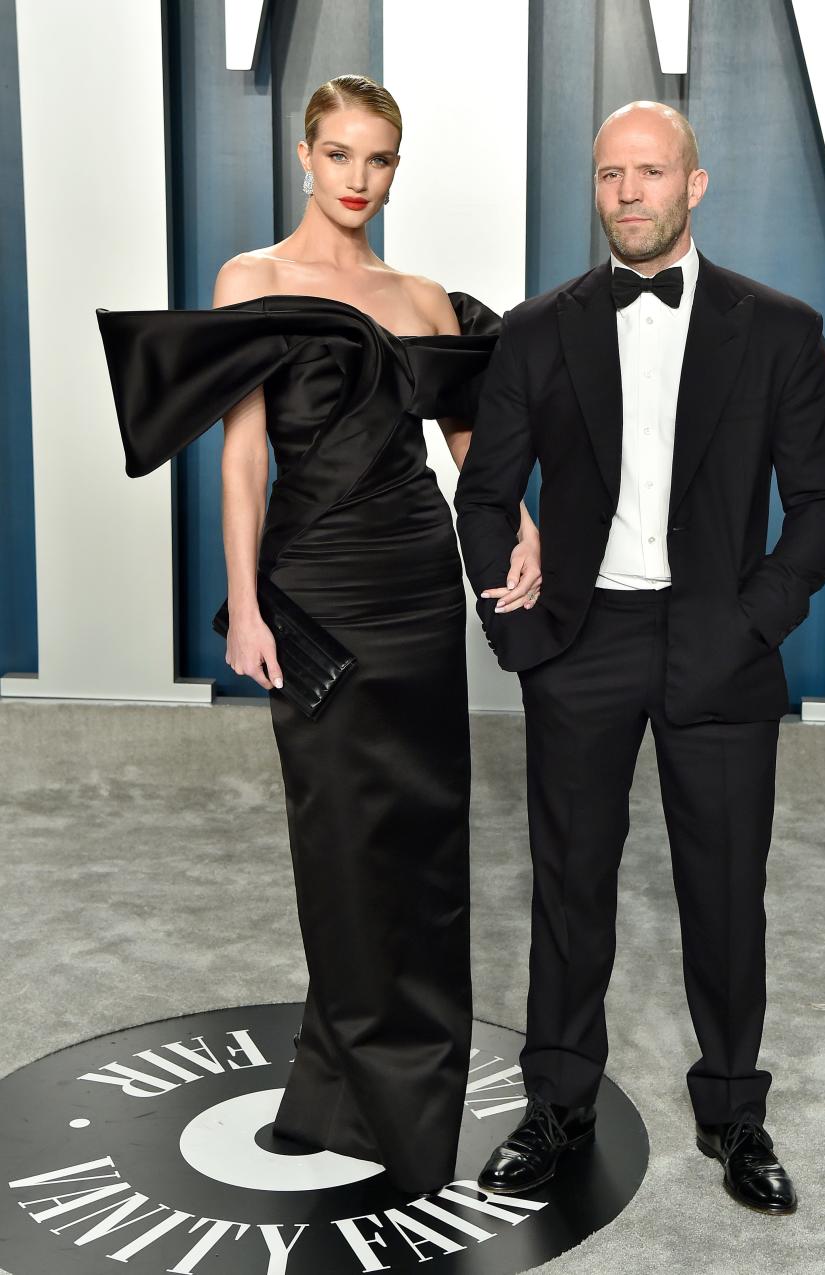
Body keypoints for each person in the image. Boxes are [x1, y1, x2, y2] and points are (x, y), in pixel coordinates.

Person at [97, 73, 541, 1196]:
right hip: (315, 588)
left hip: (415, 590)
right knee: (339, 843)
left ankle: (395, 1097)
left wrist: (521, 523)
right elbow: (241, 453)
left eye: (379, 159)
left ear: (398, 168)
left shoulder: (423, 294)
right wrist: (243, 603)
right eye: (339, 154)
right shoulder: (254, 279)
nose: (358, 179)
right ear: (304, 156)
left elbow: (470, 446)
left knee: (425, 846)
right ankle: (346, 1082)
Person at [455, 100, 825, 1214]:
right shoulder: (541, 328)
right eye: (607, 176)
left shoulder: (778, 329)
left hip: (719, 645)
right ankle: (558, 1107)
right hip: (580, 647)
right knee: (569, 891)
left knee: (727, 897)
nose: (626, 193)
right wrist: (520, 634)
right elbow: (486, 494)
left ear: (695, 184)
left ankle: (735, 1115)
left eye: (649, 173)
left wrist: (755, 619)